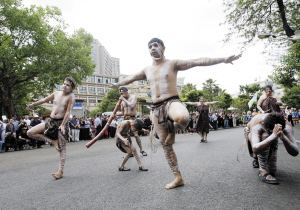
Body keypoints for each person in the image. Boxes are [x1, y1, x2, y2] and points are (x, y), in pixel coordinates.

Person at [109, 38, 241, 189]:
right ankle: (178, 178)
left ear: (163, 48)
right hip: (156, 108)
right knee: (166, 145)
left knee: (183, 118)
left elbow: (197, 61)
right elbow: (131, 77)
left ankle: (172, 128)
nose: (152, 48)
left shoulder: (172, 64)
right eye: (150, 46)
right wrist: (117, 84)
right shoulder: (146, 70)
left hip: (172, 102)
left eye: (155, 45)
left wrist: (223, 59)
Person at [25, 77, 75, 179]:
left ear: (72, 88)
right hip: (50, 121)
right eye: (64, 84)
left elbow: (68, 112)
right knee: (30, 132)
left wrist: (62, 125)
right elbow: (44, 99)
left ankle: (60, 171)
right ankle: (52, 141)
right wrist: (33, 105)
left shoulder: (71, 97)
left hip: (62, 122)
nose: (64, 86)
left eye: (68, 85)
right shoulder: (56, 93)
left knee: (62, 148)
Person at [244, 112, 299, 184]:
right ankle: (262, 169)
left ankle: (266, 162)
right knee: (265, 135)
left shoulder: (287, 126)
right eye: (270, 131)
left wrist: (284, 139)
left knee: (272, 171)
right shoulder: (257, 123)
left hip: (270, 130)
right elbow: (255, 149)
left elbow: (295, 152)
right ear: (263, 123)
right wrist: (273, 136)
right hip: (249, 131)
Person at [117, 87, 147, 156]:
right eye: (120, 93)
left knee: (136, 135)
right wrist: (115, 115)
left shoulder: (133, 97)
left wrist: (123, 99)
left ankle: (141, 150)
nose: (121, 95)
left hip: (133, 118)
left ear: (126, 92)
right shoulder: (122, 101)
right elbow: (122, 112)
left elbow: (131, 105)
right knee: (125, 136)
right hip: (125, 119)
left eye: (122, 93)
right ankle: (129, 152)